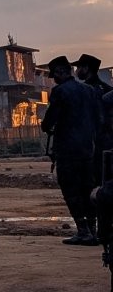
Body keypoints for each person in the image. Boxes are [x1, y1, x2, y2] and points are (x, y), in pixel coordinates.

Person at [41, 55, 102, 245]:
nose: (54, 79)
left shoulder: (60, 92)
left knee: (71, 190)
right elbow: (98, 120)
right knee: (87, 190)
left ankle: (83, 231)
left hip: (68, 150)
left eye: (55, 75)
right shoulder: (89, 90)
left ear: (60, 72)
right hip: (88, 149)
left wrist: (48, 126)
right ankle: (93, 230)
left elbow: (49, 122)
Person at [74, 54, 113, 188]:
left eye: (78, 67)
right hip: (108, 144)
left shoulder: (83, 91)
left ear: (86, 68)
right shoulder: (108, 89)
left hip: (91, 146)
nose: (76, 71)